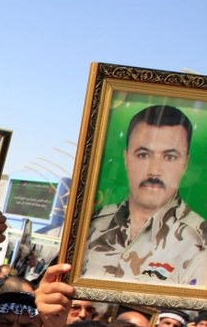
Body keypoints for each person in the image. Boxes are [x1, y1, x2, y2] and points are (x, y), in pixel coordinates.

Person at [85, 105, 207, 285]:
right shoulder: (90, 224)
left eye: (170, 157)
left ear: (185, 163)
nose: (154, 171)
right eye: (143, 155)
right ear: (126, 158)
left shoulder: (201, 241)